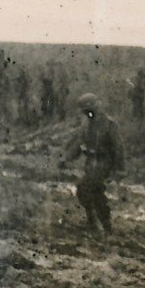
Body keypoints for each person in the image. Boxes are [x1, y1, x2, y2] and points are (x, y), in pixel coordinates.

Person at [59, 93, 125, 236]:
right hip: (91, 163)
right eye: (85, 111)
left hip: (104, 162)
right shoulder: (87, 125)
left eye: (89, 110)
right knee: (90, 192)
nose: (87, 113)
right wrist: (66, 159)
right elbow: (78, 144)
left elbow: (118, 148)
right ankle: (98, 223)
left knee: (86, 188)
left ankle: (101, 223)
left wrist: (119, 170)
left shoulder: (109, 125)